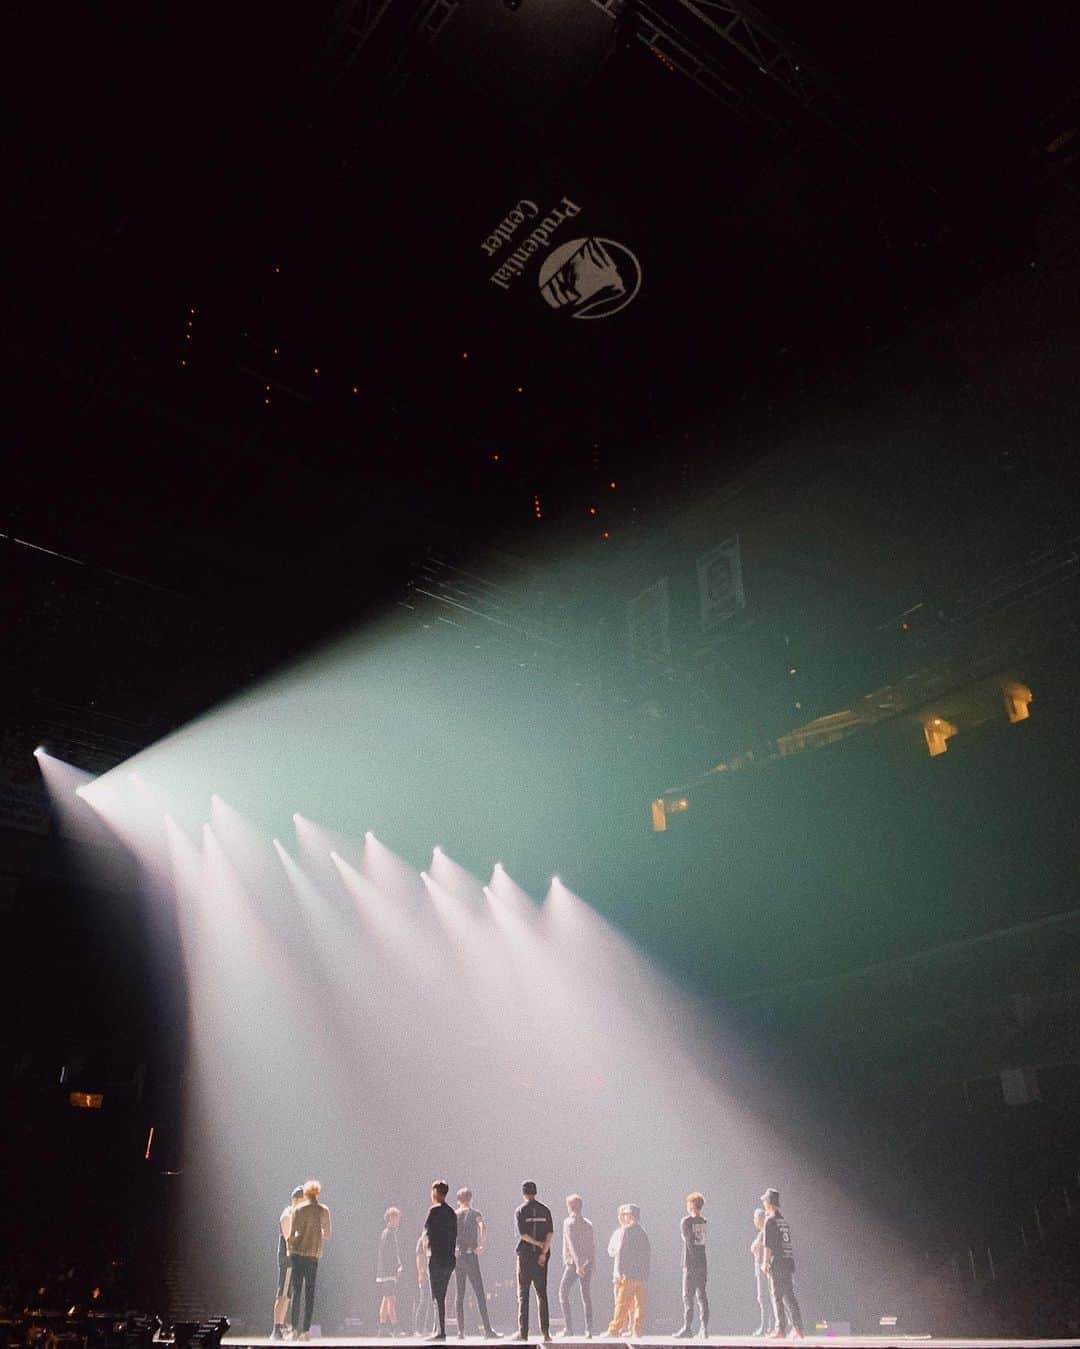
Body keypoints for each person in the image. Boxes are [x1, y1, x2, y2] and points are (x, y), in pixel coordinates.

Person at [288, 1179, 332, 1342]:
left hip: (298, 1254)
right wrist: (316, 1232)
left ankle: (293, 1329)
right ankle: (305, 1331)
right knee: (310, 1294)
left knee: (296, 1291)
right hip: (313, 1255)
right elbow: (327, 1234)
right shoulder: (324, 1210)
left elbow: (293, 1234)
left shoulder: (299, 1209)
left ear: (305, 1193)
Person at [455, 1188, 499, 1339]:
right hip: (471, 1254)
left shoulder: (454, 1214)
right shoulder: (475, 1214)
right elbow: (482, 1226)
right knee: (479, 1292)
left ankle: (460, 1331)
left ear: (458, 1200)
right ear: (471, 1199)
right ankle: (487, 1330)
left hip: (458, 1255)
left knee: (460, 1294)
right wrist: (481, 1244)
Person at [759, 1189, 803, 1341]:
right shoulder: (783, 1220)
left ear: (769, 1202)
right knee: (790, 1296)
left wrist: (764, 1263)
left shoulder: (769, 1221)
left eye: (765, 1201)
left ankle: (780, 1329)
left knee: (776, 1296)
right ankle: (798, 1329)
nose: (763, 1203)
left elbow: (768, 1245)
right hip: (788, 1261)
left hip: (777, 1263)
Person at [514, 1181, 554, 1342]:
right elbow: (550, 1233)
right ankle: (546, 1333)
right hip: (541, 1257)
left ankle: (523, 1334)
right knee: (542, 1293)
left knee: (523, 1294)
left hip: (525, 1256)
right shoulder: (545, 1210)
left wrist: (536, 1243)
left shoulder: (520, 1210)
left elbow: (522, 1234)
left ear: (524, 1193)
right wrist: (543, 1252)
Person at [605, 1205, 650, 1339]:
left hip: (628, 1274)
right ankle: (637, 1331)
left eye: (625, 1214)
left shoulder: (626, 1231)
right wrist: (645, 1273)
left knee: (622, 1304)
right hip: (640, 1275)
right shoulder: (643, 1232)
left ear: (630, 1216)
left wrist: (619, 1271)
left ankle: (614, 1330)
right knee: (639, 1306)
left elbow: (622, 1253)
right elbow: (647, 1254)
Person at [558, 1194, 595, 1339]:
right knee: (586, 1295)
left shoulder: (569, 1222)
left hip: (574, 1264)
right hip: (588, 1262)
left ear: (570, 1206)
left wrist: (578, 1264)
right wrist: (592, 1264)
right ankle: (589, 1330)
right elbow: (592, 1246)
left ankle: (569, 1328)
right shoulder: (588, 1223)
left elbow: (572, 1244)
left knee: (563, 1292)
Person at [424, 1181, 458, 1341]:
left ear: (436, 1193)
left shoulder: (434, 1211)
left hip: (436, 1257)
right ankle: (439, 1328)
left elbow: (428, 1234)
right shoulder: (452, 1212)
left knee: (436, 1295)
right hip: (449, 1258)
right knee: (442, 1294)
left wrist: (427, 1249)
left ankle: (440, 1331)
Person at [673, 1193, 708, 1338]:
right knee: (702, 1296)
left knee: (688, 1296)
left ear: (692, 1205)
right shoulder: (703, 1221)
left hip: (691, 1264)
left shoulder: (686, 1222)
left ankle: (687, 1327)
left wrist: (691, 1263)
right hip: (702, 1263)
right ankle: (704, 1328)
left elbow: (689, 1242)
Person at [273, 1187, 303, 1339]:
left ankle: (281, 1326)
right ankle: (276, 1328)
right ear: (296, 1199)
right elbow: (289, 1238)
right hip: (288, 1259)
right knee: (283, 1294)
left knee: (287, 1295)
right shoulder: (287, 1214)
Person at [378, 1207, 404, 1336]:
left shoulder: (389, 1233)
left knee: (385, 1299)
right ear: (390, 1218)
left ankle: (382, 1328)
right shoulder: (388, 1233)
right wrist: (395, 1269)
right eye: (397, 1218)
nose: (399, 1220)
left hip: (386, 1272)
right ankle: (395, 1328)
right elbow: (388, 1254)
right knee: (391, 1300)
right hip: (388, 1273)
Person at [749, 1209, 775, 1337]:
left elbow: (754, 1247)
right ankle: (769, 1326)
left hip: (763, 1269)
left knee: (764, 1298)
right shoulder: (762, 1232)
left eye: (755, 1218)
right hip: (760, 1268)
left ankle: (766, 1327)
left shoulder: (764, 1232)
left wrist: (755, 1246)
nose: (754, 1221)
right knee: (765, 1298)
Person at [416, 1229, 436, 1337]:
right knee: (424, 1300)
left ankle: (429, 1327)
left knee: (434, 1301)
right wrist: (421, 1273)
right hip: (426, 1274)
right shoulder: (423, 1239)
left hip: (434, 1275)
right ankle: (419, 1328)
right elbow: (419, 1257)